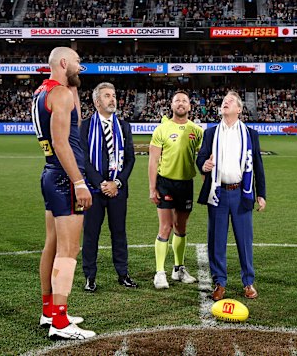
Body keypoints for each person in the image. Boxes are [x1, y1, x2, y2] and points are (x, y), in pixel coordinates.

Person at [31, 47, 96, 339]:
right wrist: (79, 182)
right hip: (64, 177)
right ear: (64, 62)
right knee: (69, 251)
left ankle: (49, 311)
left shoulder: (43, 92)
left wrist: (73, 85)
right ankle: (59, 323)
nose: (82, 68)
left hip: (50, 174)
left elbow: (75, 123)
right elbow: (62, 143)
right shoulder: (60, 95)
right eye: (78, 62)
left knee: (53, 246)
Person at [196, 91, 267, 301]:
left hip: (241, 193)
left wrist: (260, 194)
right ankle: (219, 282)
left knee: (244, 240)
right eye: (223, 102)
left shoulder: (250, 134)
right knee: (216, 240)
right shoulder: (211, 133)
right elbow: (201, 157)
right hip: (217, 193)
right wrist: (203, 164)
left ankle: (248, 282)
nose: (225, 104)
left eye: (230, 102)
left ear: (239, 109)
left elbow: (258, 166)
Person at [80, 82, 137, 292]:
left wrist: (117, 182)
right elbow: (83, 160)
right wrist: (100, 183)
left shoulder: (124, 126)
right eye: (107, 96)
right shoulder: (85, 126)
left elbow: (130, 159)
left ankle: (123, 274)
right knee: (91, 234)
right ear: (97, 102)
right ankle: (90, 276)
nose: (112, 99)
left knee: (119, 233)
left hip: (118, 190)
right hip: (93, 191)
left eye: (113, 95)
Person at [148, 91, 203, 289]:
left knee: (181, 227)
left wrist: (206, 182)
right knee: (165, 227)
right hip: (165, 183)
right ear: (171, 105)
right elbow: (153, 160)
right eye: (177, 100)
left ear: (190, 106)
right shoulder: (161, 129)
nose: (181, 103)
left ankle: (178, 269)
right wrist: (152, 187)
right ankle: (160, 272)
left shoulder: (196, 130)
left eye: (184, 101)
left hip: (186, 184)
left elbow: (203, 159)